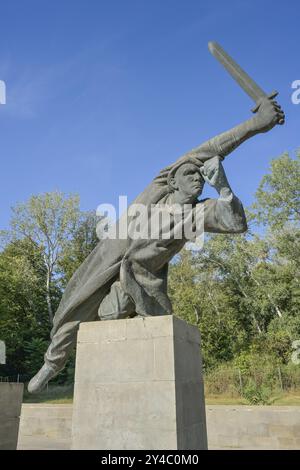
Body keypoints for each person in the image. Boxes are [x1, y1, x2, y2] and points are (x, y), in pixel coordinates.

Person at [28, 96, 284, 393]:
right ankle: (52, 363)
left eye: (201, 177)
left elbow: (237, 223)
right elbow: (210, 150)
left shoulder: (198, 213)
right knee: (73, 307)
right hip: (108, 258)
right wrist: (255, 124)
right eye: (191, 175)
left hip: (140, 278)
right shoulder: (159, 187)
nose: (198, 180)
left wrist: (224, 186)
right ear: (174, 181)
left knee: (114, 311)